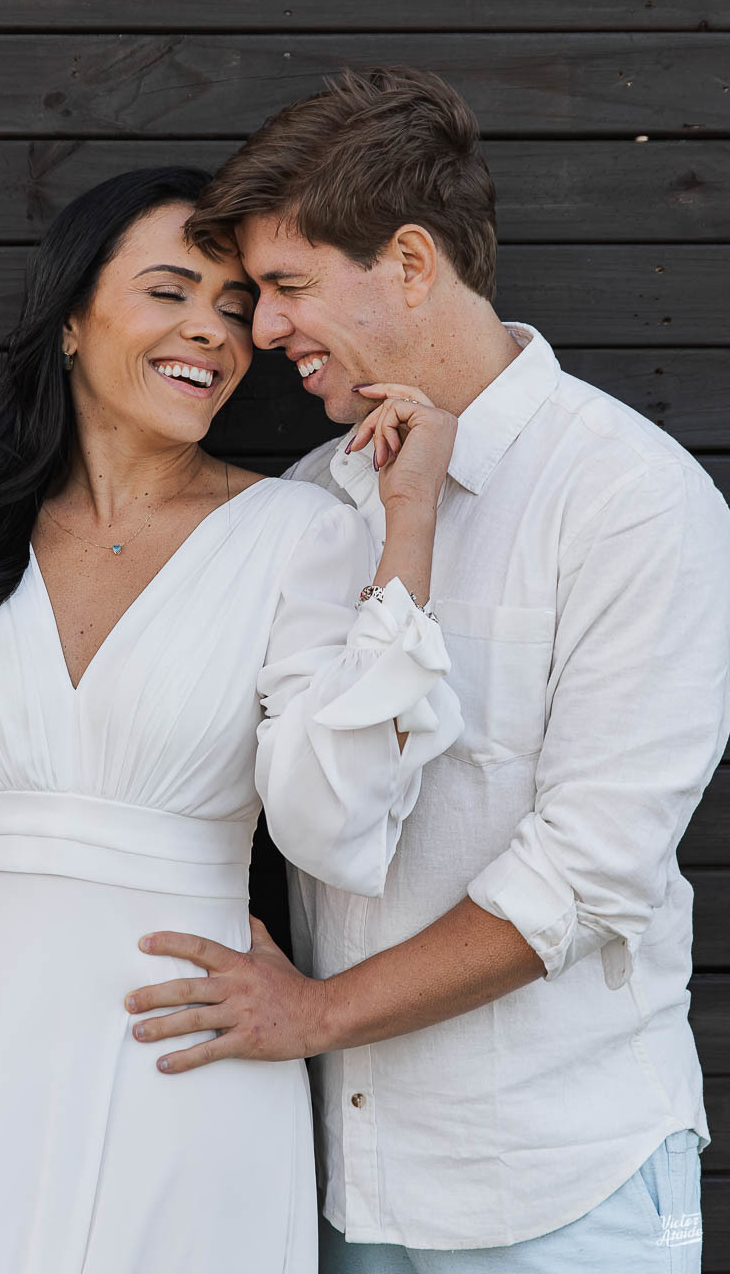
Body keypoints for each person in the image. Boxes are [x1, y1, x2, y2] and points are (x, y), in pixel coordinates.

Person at [0, 165, 465, 1274]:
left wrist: (408, 526)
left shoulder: (300, 532)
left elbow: (333, 827)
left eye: (236, 309)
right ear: (71, 324)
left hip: (185, 1060)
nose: (214, 331)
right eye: (170, 292)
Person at [125, 70, 730, 1273]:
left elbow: (596, 872)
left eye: (289, 288)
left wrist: (312, 1016)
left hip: (563, 1183)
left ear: (409, 262)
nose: (264, 331)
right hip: (353, 1185)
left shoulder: (631, 498)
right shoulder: (313, 506)